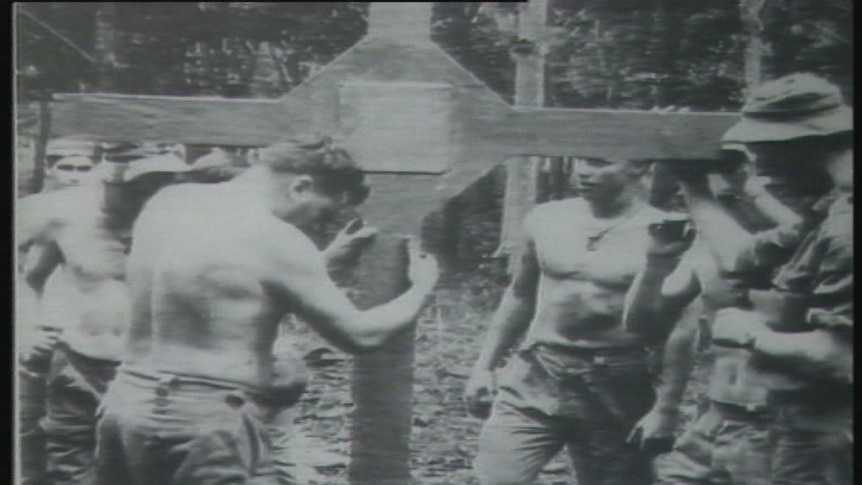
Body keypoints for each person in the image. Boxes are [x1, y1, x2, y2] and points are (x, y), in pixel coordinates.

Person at [93, 136, 439, 484]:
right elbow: (362, 335)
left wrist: (322, 265)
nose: (312, 223)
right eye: (320, 210)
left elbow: (220, 289)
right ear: (300, 187)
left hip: (127, 402)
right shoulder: (277, 239)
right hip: (203, 418)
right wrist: (423, 287)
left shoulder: (170, 203)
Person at [465, 155, 690, 485]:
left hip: (617, 379)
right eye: (583, 161)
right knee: (496, 478)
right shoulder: (547, 218)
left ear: (640, 168)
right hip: (538, 371)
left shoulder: (665, 232)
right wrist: (484, 366)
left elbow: (682, 327)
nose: (584, 172)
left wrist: (666, 409)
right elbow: (520, 294)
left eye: (601, 163)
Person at [677, 73, 853, 485]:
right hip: (802, 423)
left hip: (830, 434)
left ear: (810, 146)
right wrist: (691, 185)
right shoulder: (832, 207)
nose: (762, 171)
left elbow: (842, 360)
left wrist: (749, 334)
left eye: (767, 157)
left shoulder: (847, 229)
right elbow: (742, 256)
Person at [16, 142, 194, 485]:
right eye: (137, 190)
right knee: (71, 463)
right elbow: (29, 277)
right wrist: (26, 326)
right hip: (81, 361)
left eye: (160, 189)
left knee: (153, 464)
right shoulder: (60, 213)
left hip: (158, 370)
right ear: (108, 181)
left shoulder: (182, 220)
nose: (148, 201)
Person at [639, 155, 806, 485]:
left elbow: (743, 258)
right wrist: (654, 265)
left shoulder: (809, 249)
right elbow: (662, 323)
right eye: (721, 201)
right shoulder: (707, 250)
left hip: (778, 422)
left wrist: (695, 184)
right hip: (715, 415)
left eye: (733, 198)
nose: (728, 209)